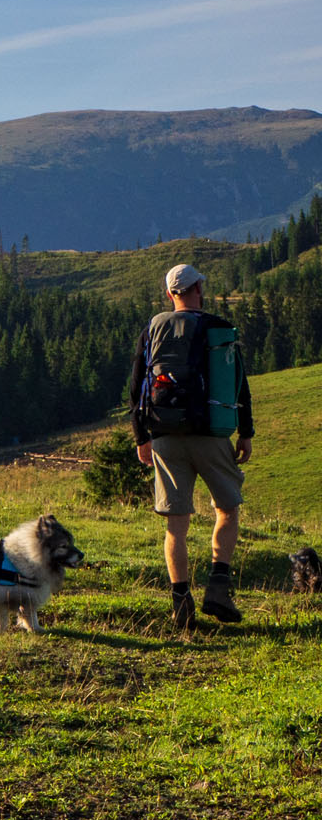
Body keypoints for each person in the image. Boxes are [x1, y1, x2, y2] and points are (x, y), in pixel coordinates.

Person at [128, 263, 254, 629]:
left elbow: (136, 387)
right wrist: (245, 431)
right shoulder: (216, 327)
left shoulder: (152, 328)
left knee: (176, 526)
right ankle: (218, 585)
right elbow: (237, 383)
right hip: (211, 433)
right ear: (200, 287)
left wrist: (142, 437)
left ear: (170, 294)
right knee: (227, 509)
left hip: (165, 436)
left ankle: (181, 603)